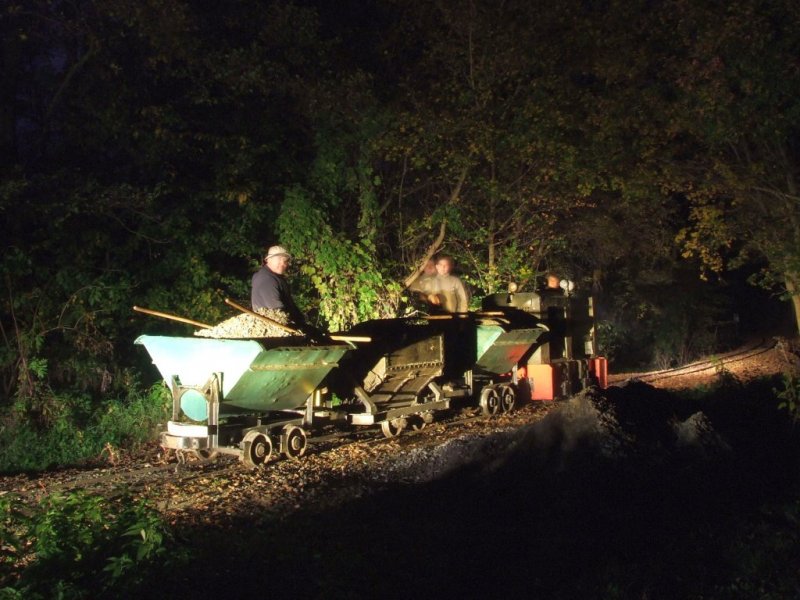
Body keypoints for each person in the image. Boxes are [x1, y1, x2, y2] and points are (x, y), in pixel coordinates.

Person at [251, 245, 307, 328]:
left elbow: (289, 302)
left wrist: (301, 319)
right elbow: (277, 311)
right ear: (268, 260)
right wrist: (298, 324)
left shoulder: (276, 277)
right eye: (279, 259)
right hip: (273, 327)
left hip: (285, 323)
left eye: (285, 261)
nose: (282, 264)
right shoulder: (267, 279)